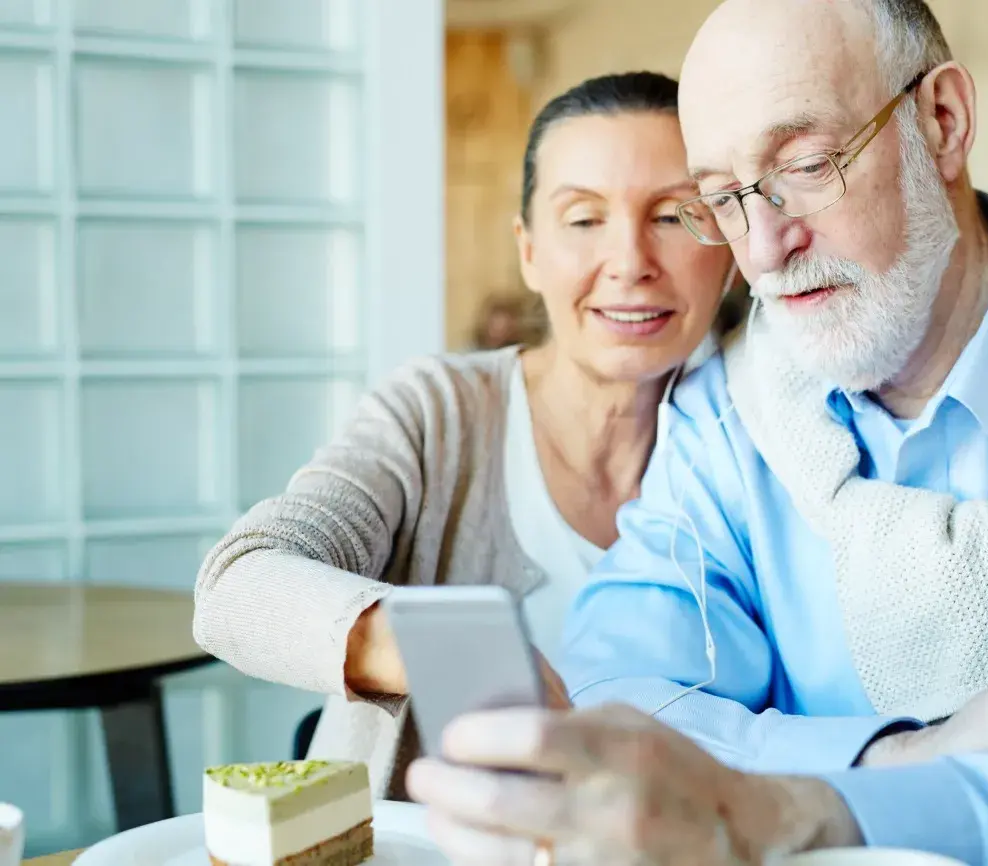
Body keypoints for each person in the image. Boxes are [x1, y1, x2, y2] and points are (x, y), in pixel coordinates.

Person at [405, 1, 988, 864]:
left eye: (804, 165)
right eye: (721, 197)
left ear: (943, 121)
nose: (762, 249)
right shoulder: (730, 414)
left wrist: (773, 808)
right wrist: (908, 753)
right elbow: (618, 696)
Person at [191, 70, 738, 798]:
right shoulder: (437, 415)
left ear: (729, 245)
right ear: (529, 251)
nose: (631, 262)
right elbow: (237, 585)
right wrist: (434, 647)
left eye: (673, 215)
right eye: (583, 220)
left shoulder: (756, 439)